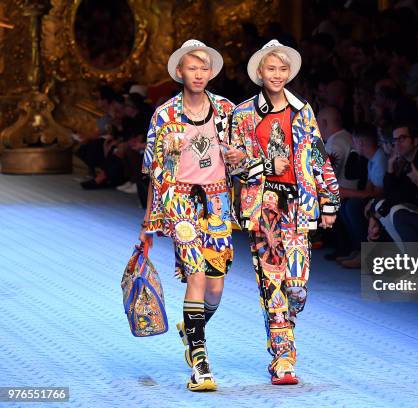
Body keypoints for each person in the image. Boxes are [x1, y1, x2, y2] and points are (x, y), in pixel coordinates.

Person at [227, 40, 340, 385]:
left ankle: (285, 328)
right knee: (272, 284)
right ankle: (283, 357)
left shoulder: (301, 109)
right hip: (264, 208)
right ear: (259, 72)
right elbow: (233, 166)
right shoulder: (244, 114)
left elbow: (318, 155)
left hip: (298, 204)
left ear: (289, 73)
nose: (277, 75)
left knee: (297, 287)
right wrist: (265, 164)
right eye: (270, 69)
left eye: (282, 69)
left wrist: (330, 198)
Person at [140, 40, 237, 392]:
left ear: (210, 72)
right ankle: (200, 362)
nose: (198, 74)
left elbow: (243, 155)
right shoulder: (164, 114)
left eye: (203, 68)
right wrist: (149, 223)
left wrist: (239, 157)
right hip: (180, 203)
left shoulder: (227, 111)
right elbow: (153, 169)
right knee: (196, 277)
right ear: (179, 72)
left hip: (217, 204)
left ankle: (191, 327)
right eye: (191, 68)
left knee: (216, 287)